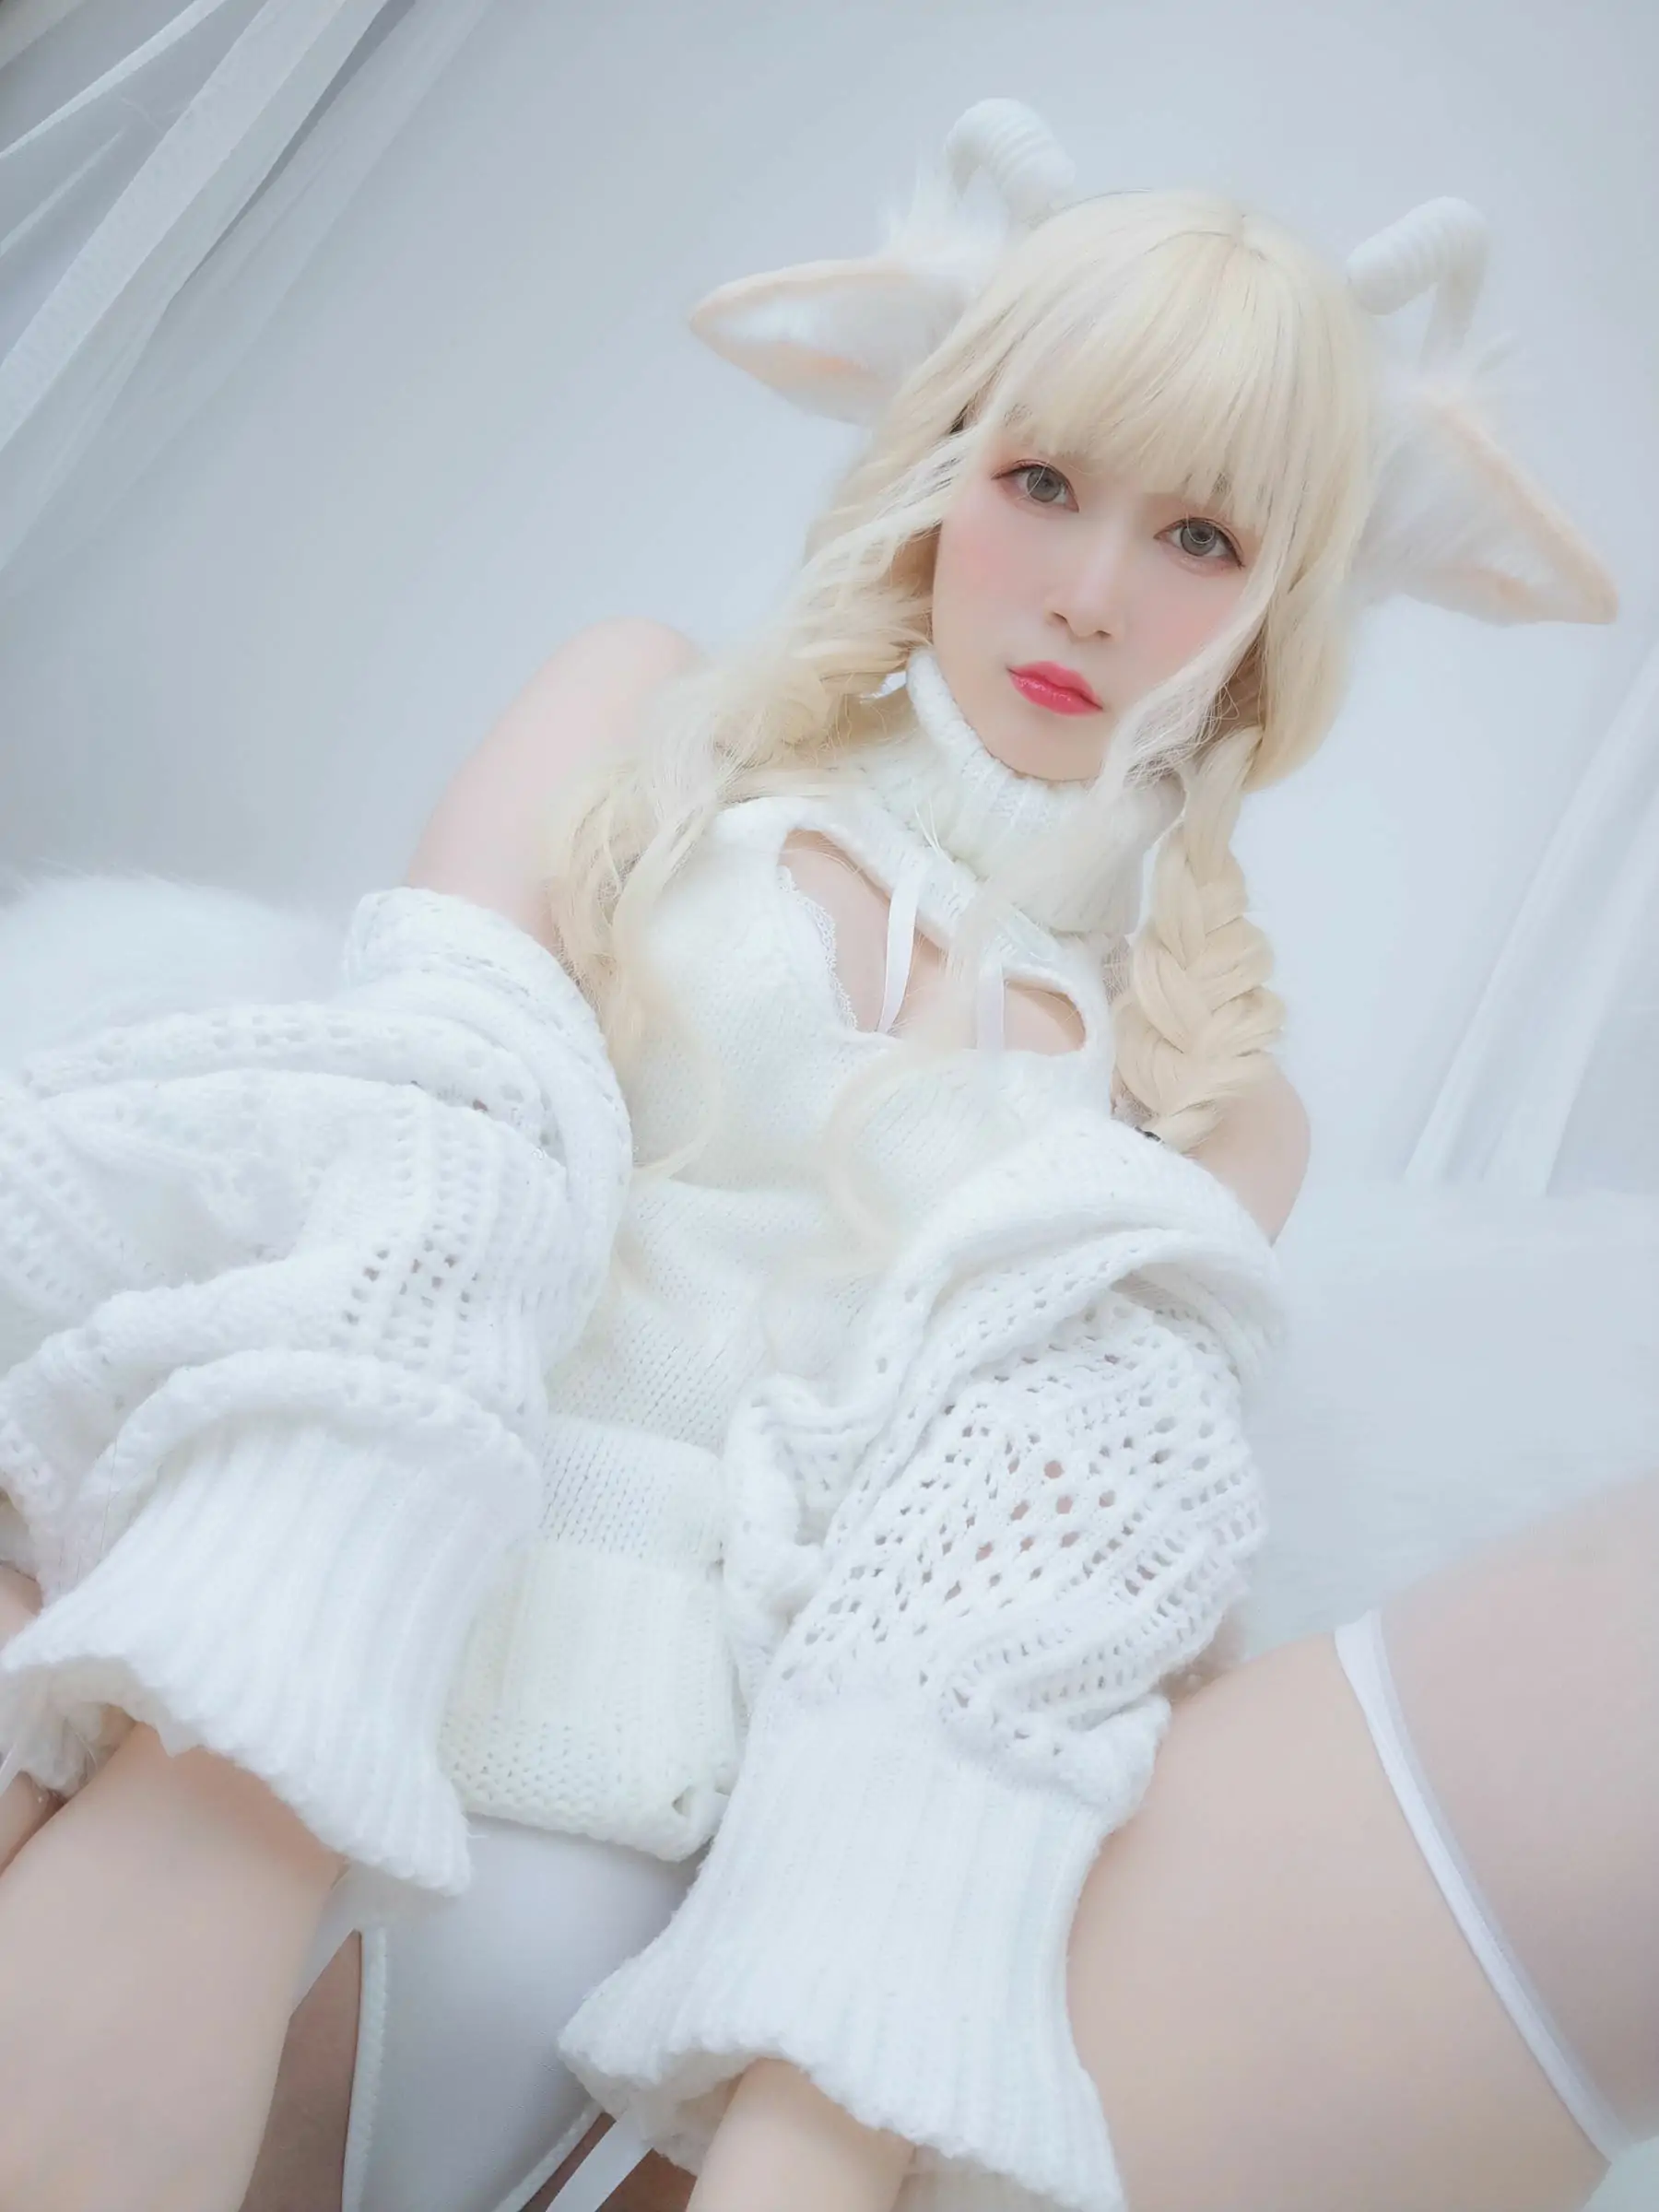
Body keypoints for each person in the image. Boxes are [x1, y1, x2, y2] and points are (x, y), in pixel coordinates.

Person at [0, 100, 1629, 2212]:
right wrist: (227, 1734)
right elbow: (428, 1137)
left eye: (1203, 539)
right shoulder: (643, 714)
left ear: (1281, 605)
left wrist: (827, 2106)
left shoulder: (1216, 1097)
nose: (1094, 595)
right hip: (286, 1682)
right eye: (1044, 483)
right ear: (947, 460)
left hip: (667, 1955)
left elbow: (1006, 1574)